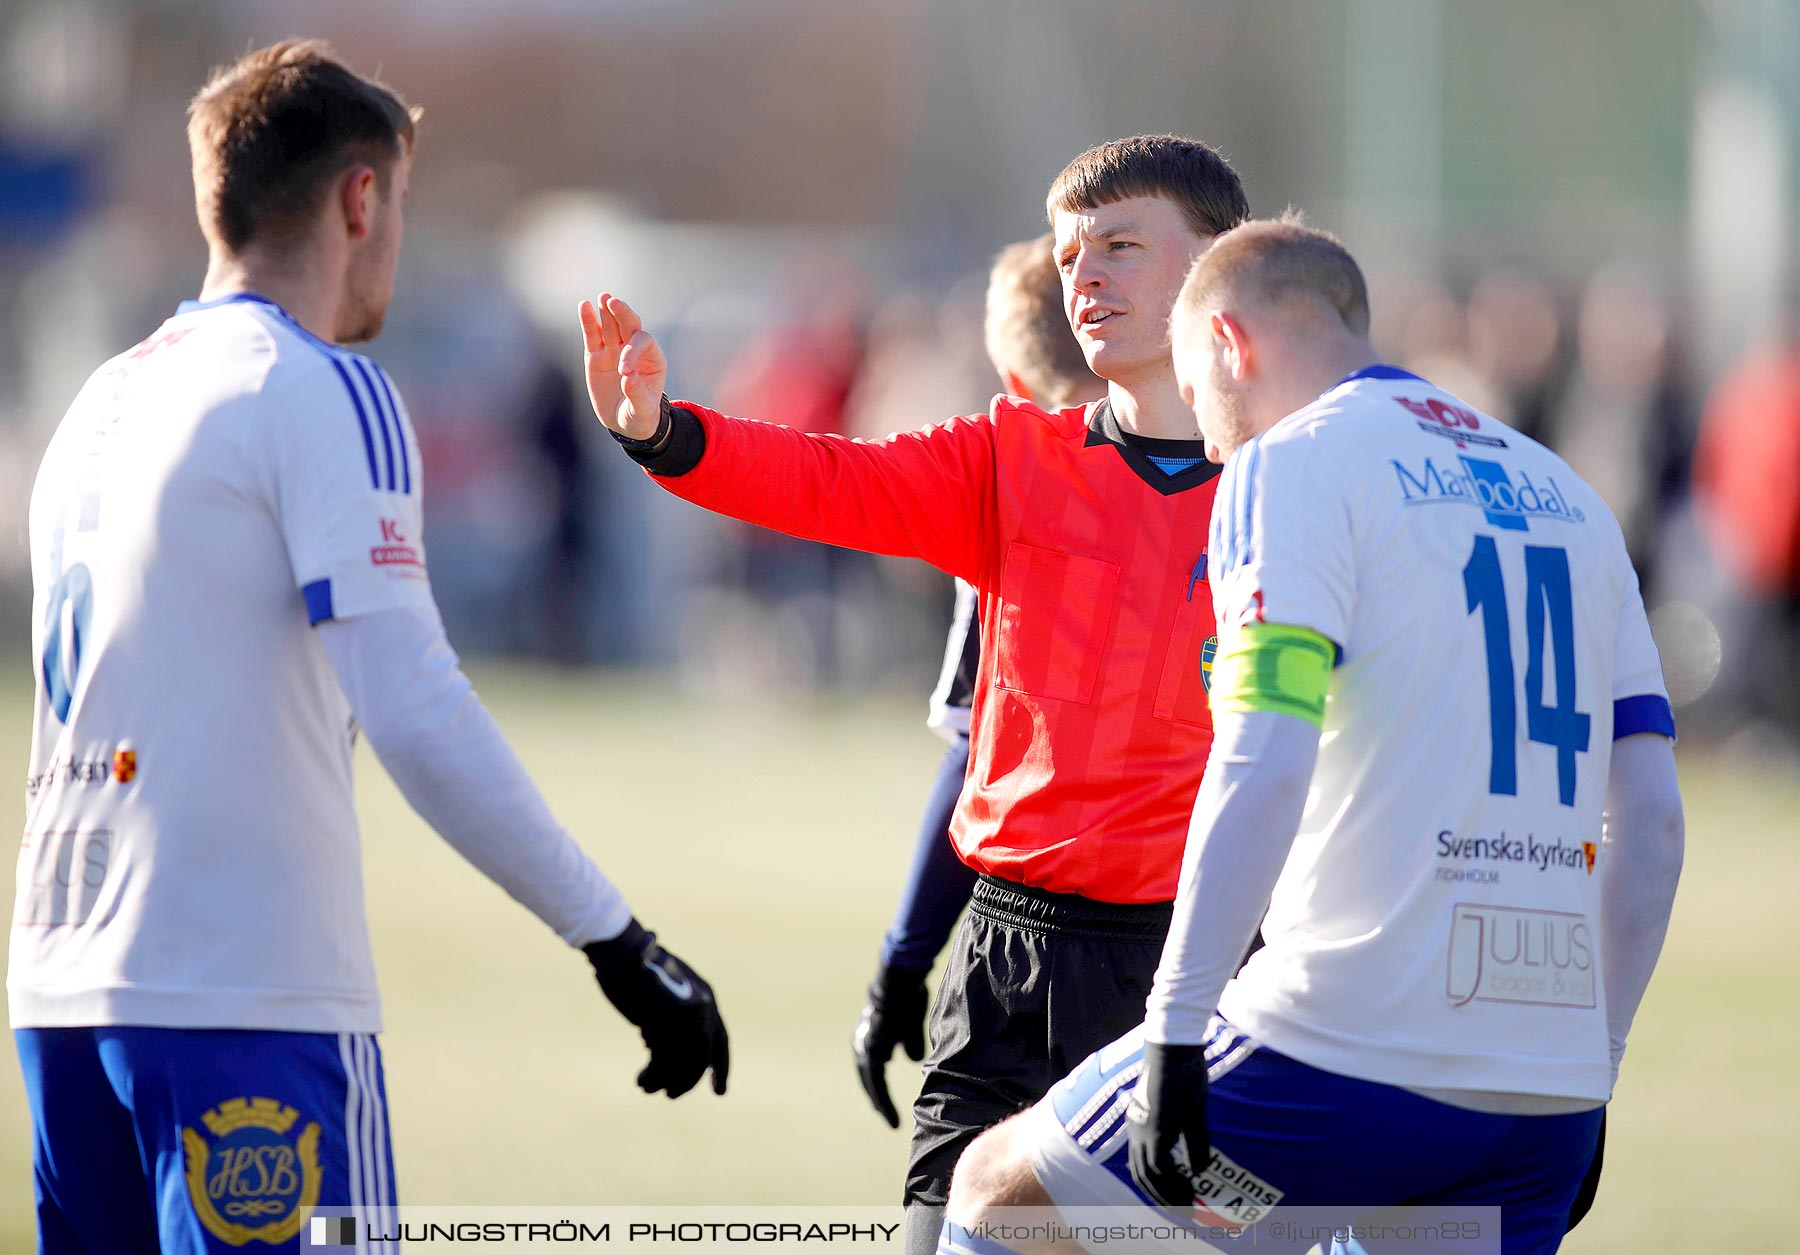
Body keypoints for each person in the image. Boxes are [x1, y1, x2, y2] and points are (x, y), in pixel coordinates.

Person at [12, 41, 726, 1255]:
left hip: (61, 999)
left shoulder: (99, 402)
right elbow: (415, 704)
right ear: (360, 197)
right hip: (244, 993)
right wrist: (614, 938)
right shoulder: (317, 387)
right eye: (397, 197)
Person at [941, 218, 1685, 1255]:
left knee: (996, 1192)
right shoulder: (1569, 495)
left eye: (1199, 397)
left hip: (1342, 1053)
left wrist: (1176, 1025)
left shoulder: (1291, 463)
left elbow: (1263, 757)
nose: (1207, 441)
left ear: (1231, 346)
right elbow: (1648, 819)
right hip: (1541, 1099)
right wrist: (1590, 1070)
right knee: (1264, 1230)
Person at [581, 134, 1249, 1255]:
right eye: (1071, 252)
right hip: (1006, 967)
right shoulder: (1011, 457)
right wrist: (663, 432)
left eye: (1123, 246)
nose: (1085, 275)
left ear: (1220, 271)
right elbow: (833, 480)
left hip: (1194, 982)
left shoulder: (1296, 482)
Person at [853, 235, 1105, 1130]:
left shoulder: (1020, 490)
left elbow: (974, 756)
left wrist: (902, 960)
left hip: (1030, 953)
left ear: (1016, 385)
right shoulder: (1243, 481)